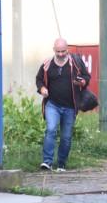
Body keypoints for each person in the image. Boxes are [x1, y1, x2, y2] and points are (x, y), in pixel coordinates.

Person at [36, 38, 91, 172]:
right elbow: (39, 79)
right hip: (52, 104)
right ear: (54, 50)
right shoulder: (47, 64)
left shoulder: (76, 63)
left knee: (66, 136)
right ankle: (47, 162)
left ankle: (61, 163)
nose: (61, 54)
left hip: (70, 106)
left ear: (68, 50)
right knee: (51, 129)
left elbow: (86, 77)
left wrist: (82, 82)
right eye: (58, 51)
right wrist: (42, 89)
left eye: (63, 51)